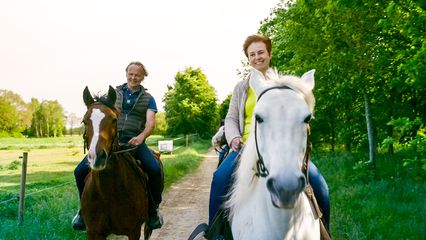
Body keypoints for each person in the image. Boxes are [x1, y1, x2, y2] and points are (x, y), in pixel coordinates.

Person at [208, 34, 331, 232]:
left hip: (279, 145)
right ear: (248, 58)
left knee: (319, 184)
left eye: (261, 52)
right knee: (220, 178)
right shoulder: (241, 88)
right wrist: (234, 138)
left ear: (269, 54)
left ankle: (325, 231)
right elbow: (231, 118)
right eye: (252, 54)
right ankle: (214, 231)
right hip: (245, 145)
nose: (257, 57)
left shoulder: (285, 85)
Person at [72, 61, 164, 230]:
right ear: (126, 74)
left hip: (134, 142)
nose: (133, 77)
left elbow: (150, 123)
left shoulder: (149, 99)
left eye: (138, 75)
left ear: (143, 77)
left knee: (154, 169)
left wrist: (141, 137)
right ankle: (82, 212)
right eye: (131, 73)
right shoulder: (113, 94)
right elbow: (101, 113)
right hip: (111, 141)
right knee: (79, 171)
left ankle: (152, 211)